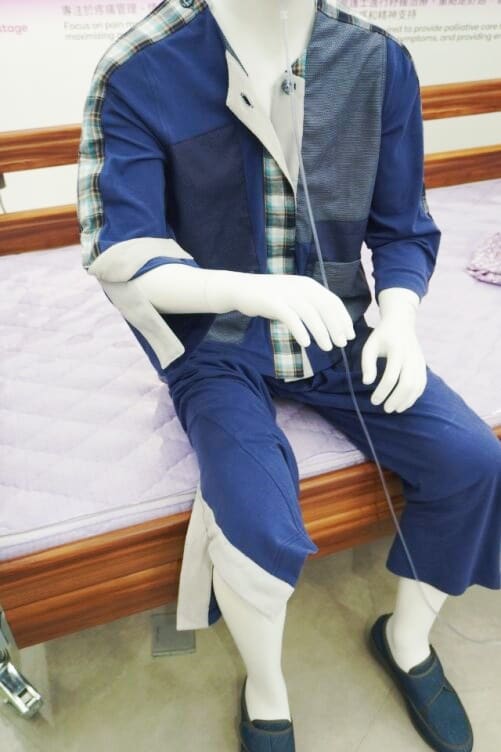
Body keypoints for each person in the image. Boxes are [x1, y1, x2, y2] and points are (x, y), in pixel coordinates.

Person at [76, 1, 501, 750]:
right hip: (213, 339)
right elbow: (121, 250)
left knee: (473, 461)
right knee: (255, 523)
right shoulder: (139, 67)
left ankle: (406, 641)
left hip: (337, 323)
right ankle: (266, 689)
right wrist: (251, 291)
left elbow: (403, 226)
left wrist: (398, 319)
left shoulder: (376, 63)